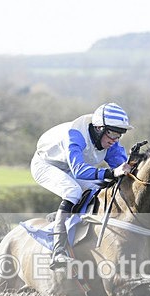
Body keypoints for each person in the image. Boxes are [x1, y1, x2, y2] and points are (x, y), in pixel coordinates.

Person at [30, 102, 134, 269]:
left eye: (119, 134)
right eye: (113, 133)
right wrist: (112, 172)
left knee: (103, 185)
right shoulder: (76, 134)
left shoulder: (111, 142)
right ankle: (58, 250)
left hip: (70, 167)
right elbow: (79, 170)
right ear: (99, 128)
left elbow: (123, 167)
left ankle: (66, 221)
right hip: (46, 165)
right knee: (72, 191)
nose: (115, 140)